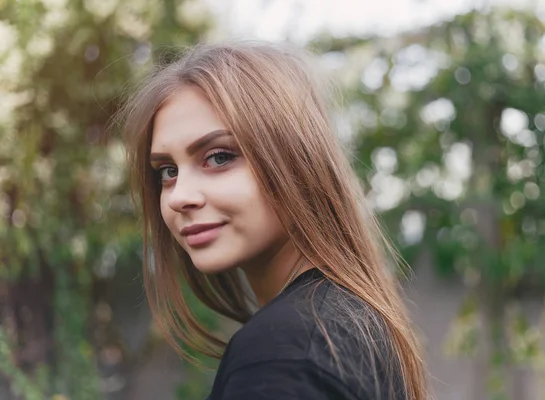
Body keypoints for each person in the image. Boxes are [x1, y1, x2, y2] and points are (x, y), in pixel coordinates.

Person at [121, 41, 427, 400]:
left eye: (219, 157)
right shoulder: (349, 323)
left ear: (298, 161)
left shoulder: (284, 353)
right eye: (168, 171)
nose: (179, 196)